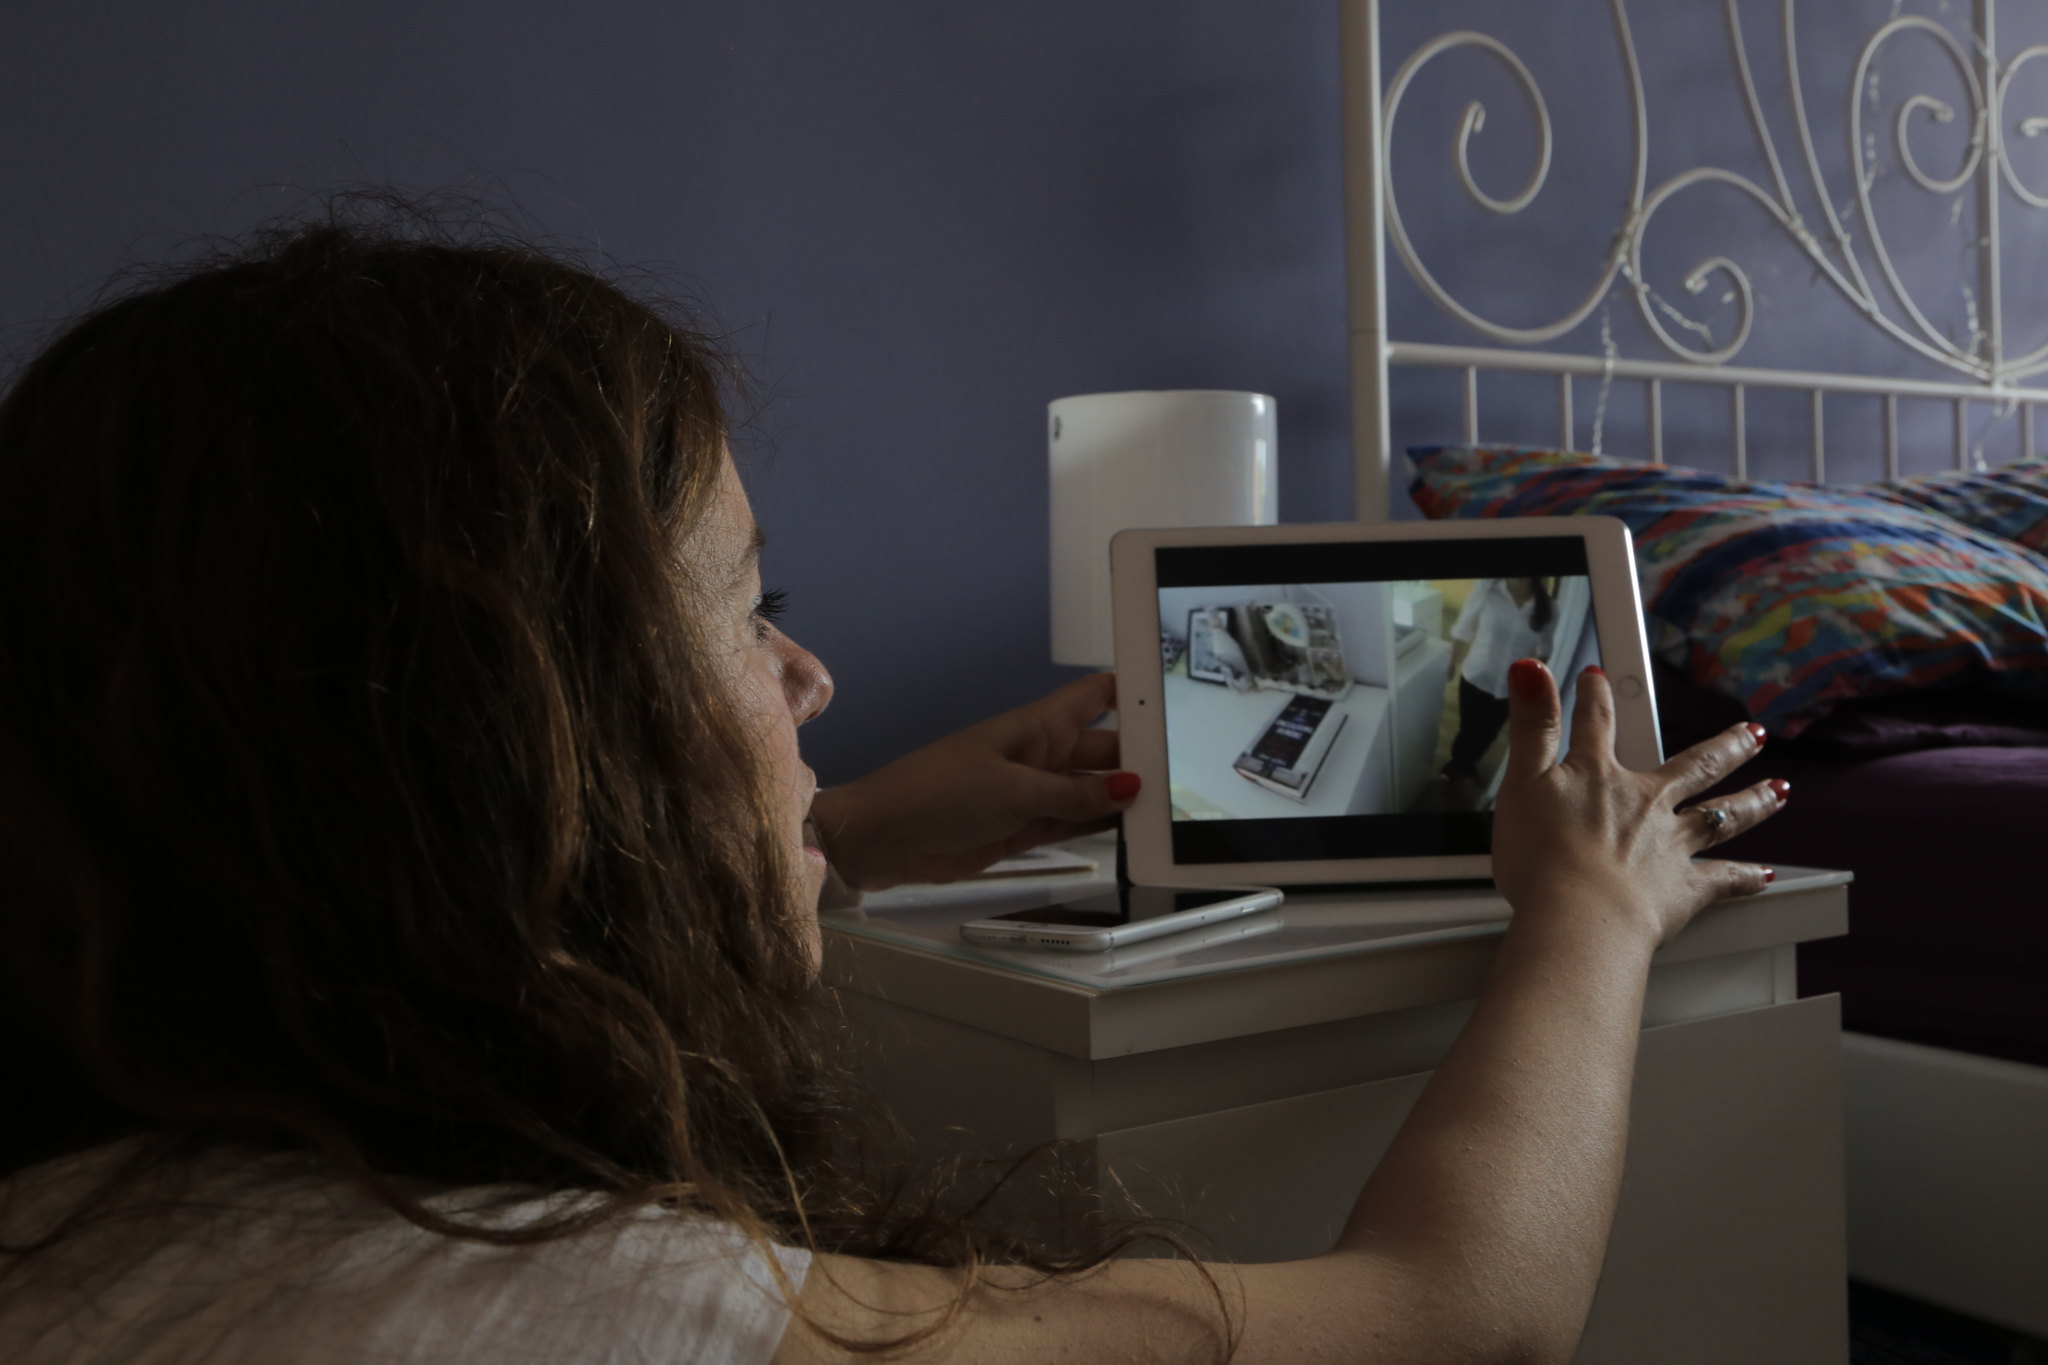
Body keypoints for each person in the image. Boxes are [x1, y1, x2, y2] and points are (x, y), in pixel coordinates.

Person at [0, 211, 1788, 1364]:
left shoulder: (91, 1208)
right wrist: (1588, 916)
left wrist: (828, 827)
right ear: (518, 744)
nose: (811, 682)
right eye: (749, 611)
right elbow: (1450, 1322)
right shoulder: (616, 1311)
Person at [1440, 576, 1560, 808]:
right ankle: (1456, 765)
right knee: (1469, 728)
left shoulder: (1549, 608)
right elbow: (1464, 627)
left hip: (1509, 686)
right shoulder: (1487, 590)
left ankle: (1467, 763)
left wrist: (1538, 684)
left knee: (1490, 733)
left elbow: (1545, 649)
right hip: (1476, 676)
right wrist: (1452, 662)